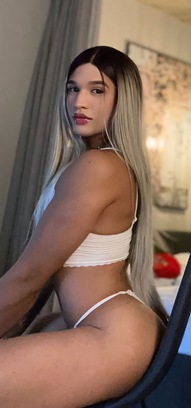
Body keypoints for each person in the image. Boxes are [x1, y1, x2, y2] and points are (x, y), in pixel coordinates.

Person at [0, 46, 167, 407]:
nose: (79, 101)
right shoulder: (90, 165)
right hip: (94, 324)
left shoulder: (99, 167)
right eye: (73, 89)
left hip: (113, 335)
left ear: (123, 101)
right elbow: (40, 277)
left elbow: (29, 276)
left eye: (97, 90)